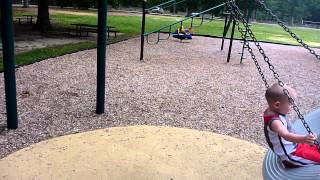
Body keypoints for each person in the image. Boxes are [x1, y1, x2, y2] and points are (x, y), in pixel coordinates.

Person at [263, 83, 320, 168]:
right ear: (277, 105)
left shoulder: (275, 109)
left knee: (316, 144)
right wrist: (304, 139)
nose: (293, 106)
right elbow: (286, 135)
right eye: (290, 103)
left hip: (296, 145)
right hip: (290, 155)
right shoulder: (275, 123)